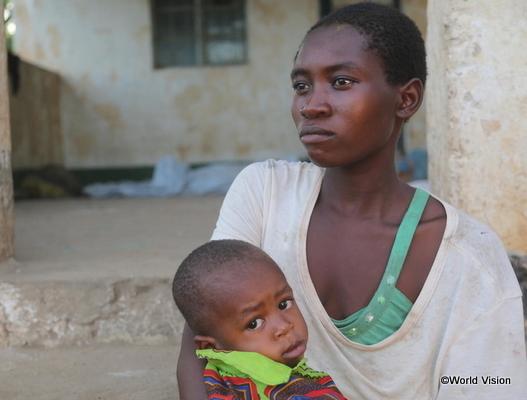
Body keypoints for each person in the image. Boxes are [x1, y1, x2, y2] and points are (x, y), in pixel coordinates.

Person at [177, 3, 527, 399]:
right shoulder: (266, 193)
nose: (312, 105)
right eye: (301, 85)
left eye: (341, 82)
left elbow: (486, 385)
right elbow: (204, 330)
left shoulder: (468, 258)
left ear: (406, 99)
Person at [172, 239, 347, 400]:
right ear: (210, 347)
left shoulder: (215, 381)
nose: (284, 327)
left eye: (284, 304)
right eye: (254, 323)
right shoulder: (287, 392)